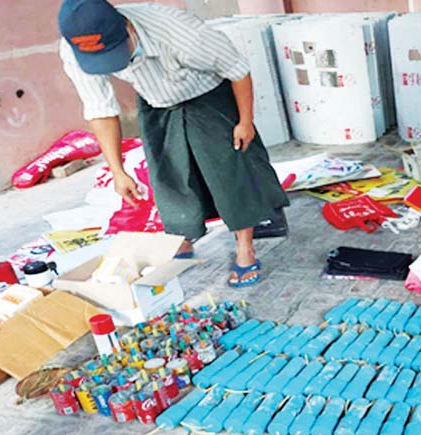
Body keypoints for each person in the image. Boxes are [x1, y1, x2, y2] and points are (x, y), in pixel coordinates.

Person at [57, 0, 289, 287]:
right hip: (156, 100)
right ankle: (182, 238)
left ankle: (245, 248)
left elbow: (238, 70)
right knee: (169, 174)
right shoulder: (76, 49)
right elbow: (99, 110)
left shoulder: (178, 31)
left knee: (230, 173)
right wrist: (117, 171)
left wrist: (245, 121)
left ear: (127, 28)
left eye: (115, 53)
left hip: (208, 93)